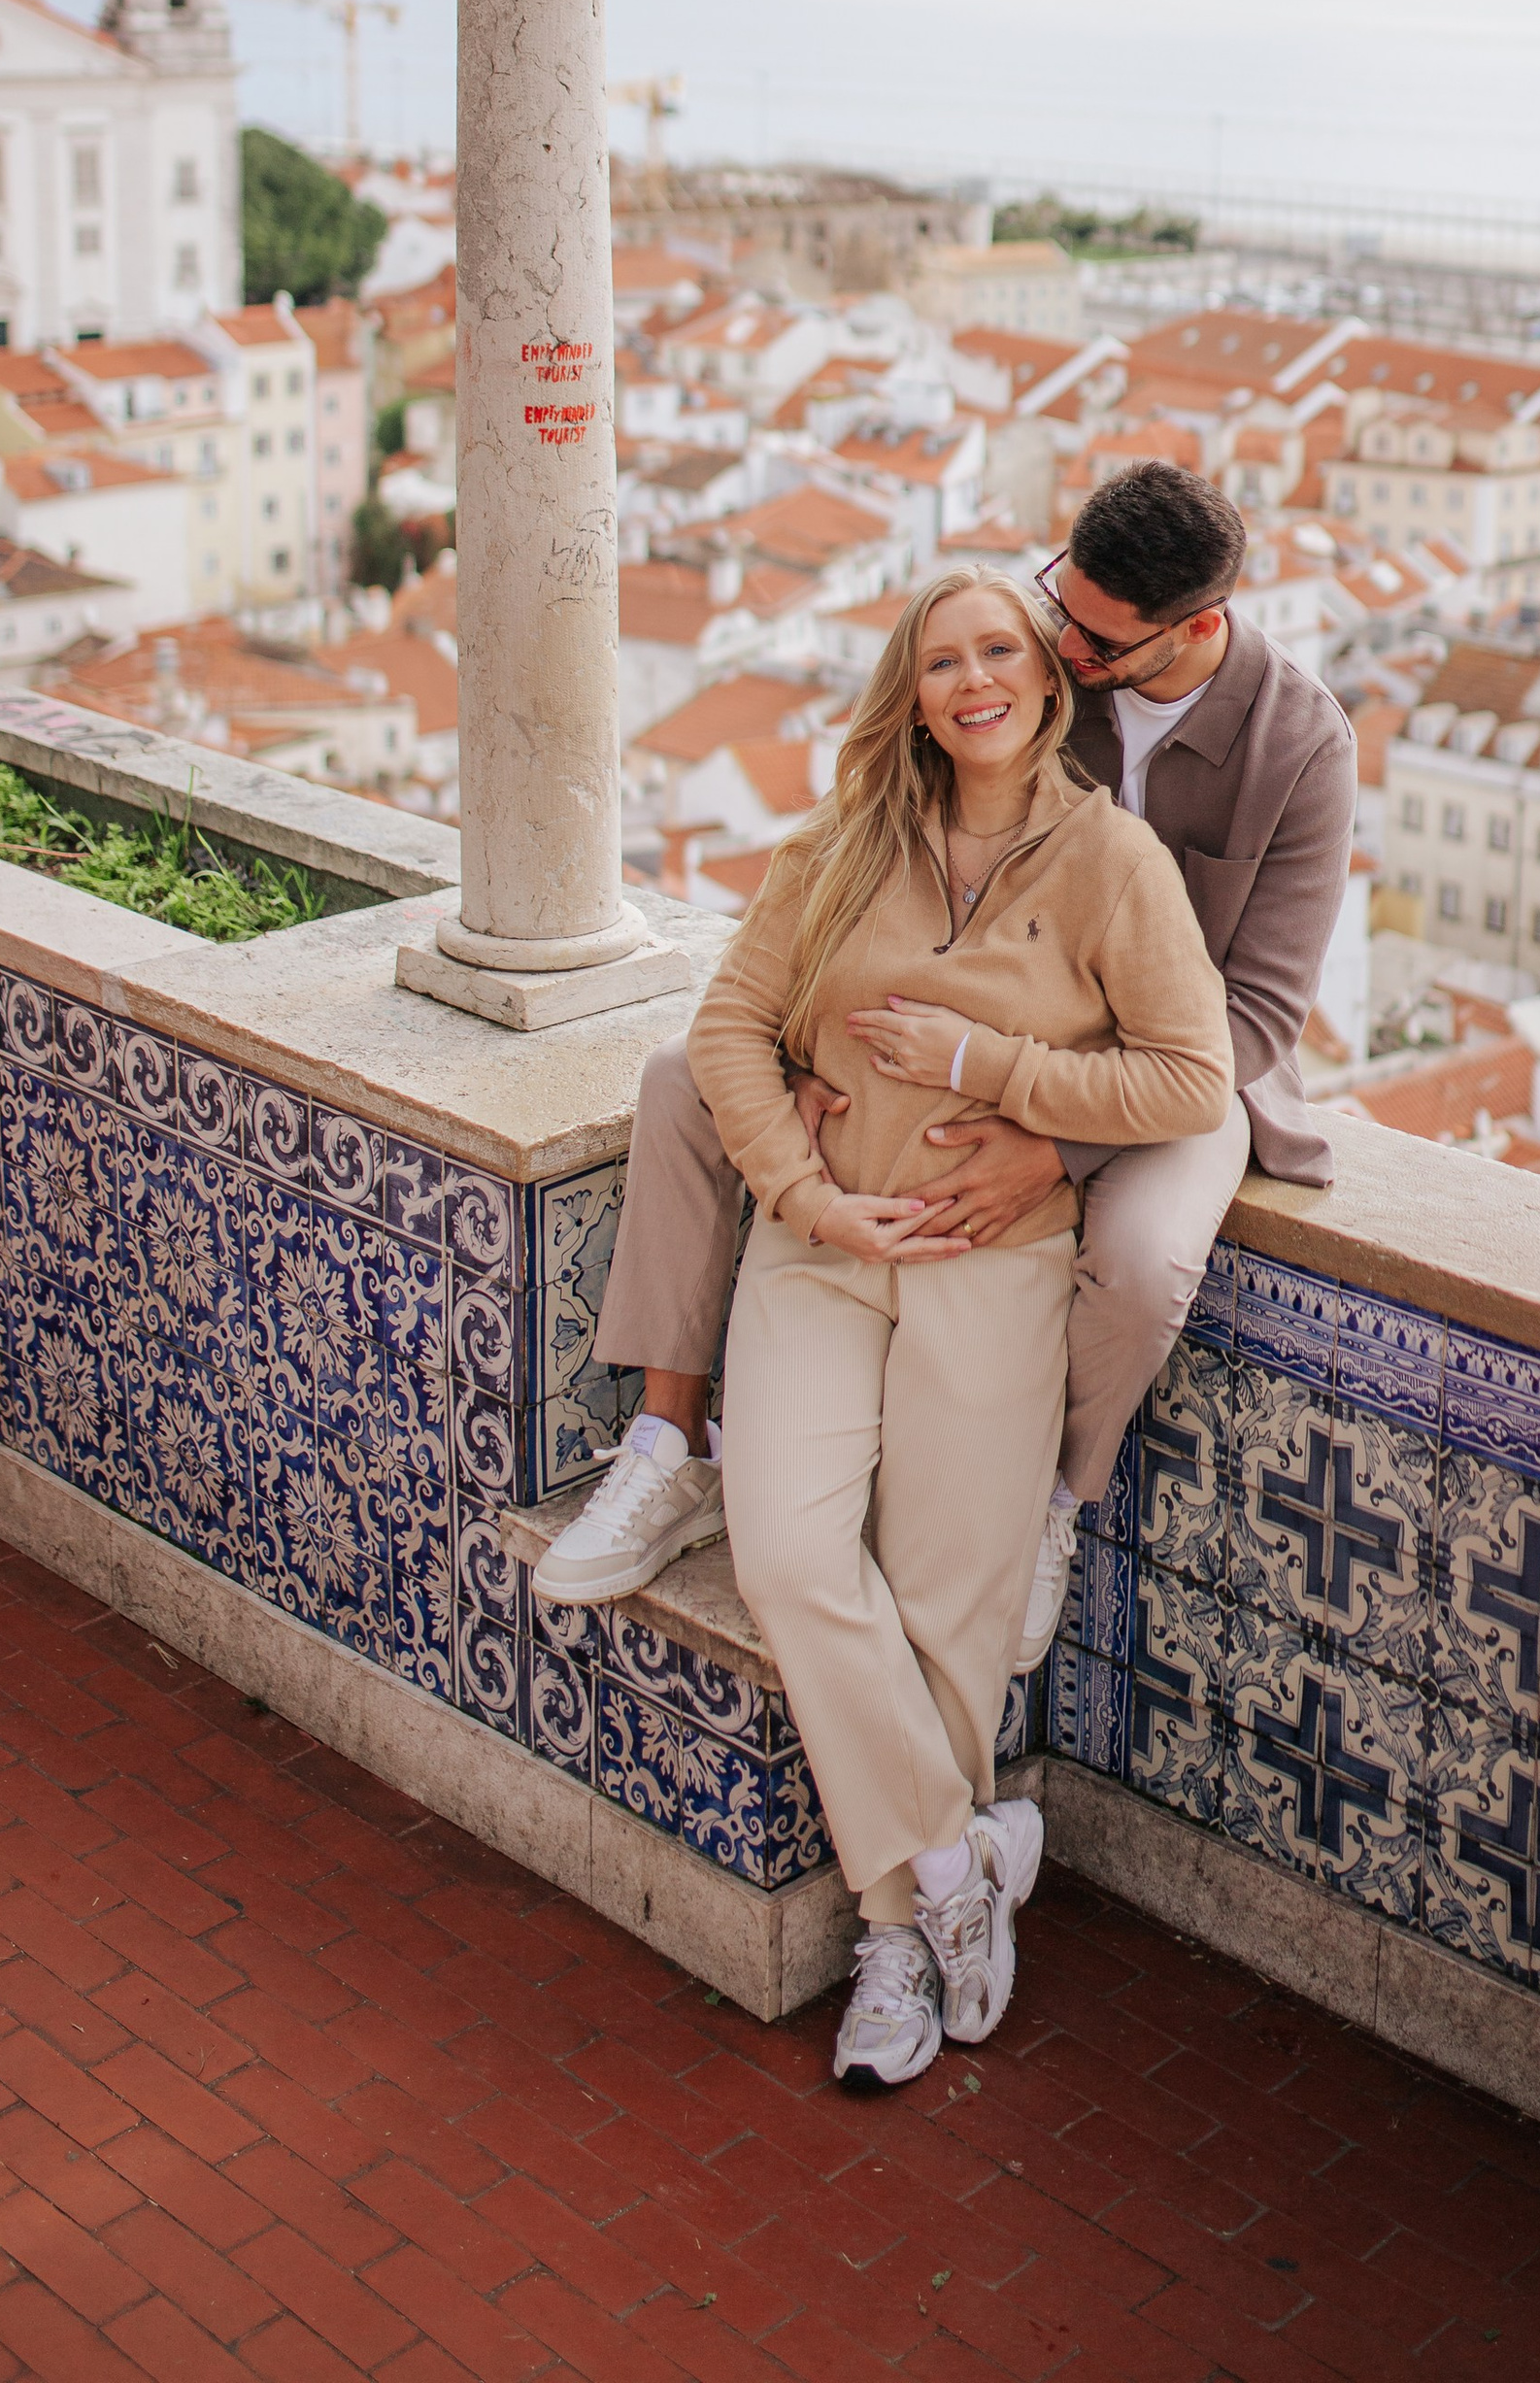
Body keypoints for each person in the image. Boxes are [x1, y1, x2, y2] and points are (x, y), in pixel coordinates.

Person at [549, 459, 1356, 1645]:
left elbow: (1252, 1023)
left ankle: (1055, 1504)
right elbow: (899, 814)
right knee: (685, 1078)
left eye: (1091, 641)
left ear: (1195, 631)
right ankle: (671, 1440)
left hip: (1175, 1075)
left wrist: (1059, 1145)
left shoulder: (1299, 747)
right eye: (1057, 604)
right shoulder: (1038, 661)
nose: (1057, 645)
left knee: (1137, 1261)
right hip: (960, 1020)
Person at [686, 566, 1232, 2089]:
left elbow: (1191, 1081)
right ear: (911, 692)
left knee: (944, 1610)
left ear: (1050, 685)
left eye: (1001, 651)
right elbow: (728, 1028)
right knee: (790, 1551)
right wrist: (807, 1196)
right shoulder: (847, 841)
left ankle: (893, 1948)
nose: (973, 679)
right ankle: (954, 1861)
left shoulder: (1115, 864)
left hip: (995, 1263)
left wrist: (994, 1066)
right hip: (823, 1251)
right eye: (942, 660)